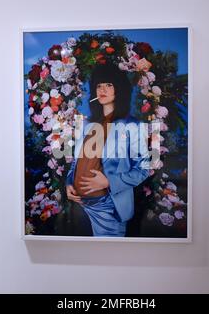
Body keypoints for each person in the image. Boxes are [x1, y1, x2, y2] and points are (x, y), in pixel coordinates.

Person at [64, 63, 150, 237]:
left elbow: (143, 169)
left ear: (119, 89)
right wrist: (68, 183)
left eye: (109, 85)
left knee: (108, 258)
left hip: (108, 208)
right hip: (80, 206)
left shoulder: (132, 125)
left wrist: (109, 182)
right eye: (99, 85)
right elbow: (76, 162)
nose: (102, 89)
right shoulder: (87, 124)